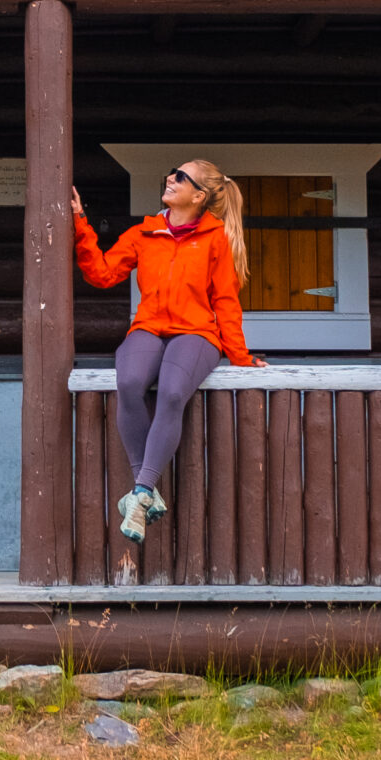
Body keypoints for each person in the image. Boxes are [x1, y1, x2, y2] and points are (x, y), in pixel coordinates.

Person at [72, 159, 264, 544]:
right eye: (172, 173)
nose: (170, 179)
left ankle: (140, 492)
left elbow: (225, 302)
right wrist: (80, 223)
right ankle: (147, 491)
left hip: (196, 334)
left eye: (181, 177)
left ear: (199, 195)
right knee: (128, 382)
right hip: (149, 327)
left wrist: (241, 357)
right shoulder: (145, 233)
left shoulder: (214, 239)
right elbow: (103, 273)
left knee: (174, 391)